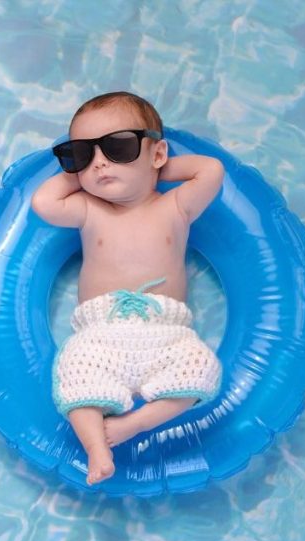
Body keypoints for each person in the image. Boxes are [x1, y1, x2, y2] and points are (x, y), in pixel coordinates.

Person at [30, 91, 224, 485]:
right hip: (101, 331)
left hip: (165, 330)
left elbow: (211, 170)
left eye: (118, 147)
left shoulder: (176, 207)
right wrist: (87, 174)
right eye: (82, 154)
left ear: (157, 154)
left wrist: (157, 169)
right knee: (74, 373)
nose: (100, 162)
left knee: (201, 370)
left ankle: (131, 426)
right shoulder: (89, 209)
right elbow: (43, 202)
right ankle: (96, 447)